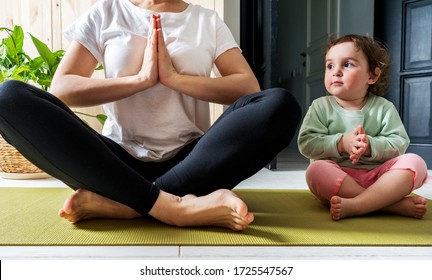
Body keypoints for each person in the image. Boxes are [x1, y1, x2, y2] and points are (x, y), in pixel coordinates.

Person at [0, 0, 301, 231]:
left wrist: (173, 78)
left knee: (280, 105)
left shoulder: (205, 20)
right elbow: (63, 87)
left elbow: (246, 88)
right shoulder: (107, 11)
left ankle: (128, 205)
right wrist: (141, 80)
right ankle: (175, 207)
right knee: (8, 97)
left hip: (194, 163)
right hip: (115, 163)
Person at [297, 34, 428, 221]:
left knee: (416, 163)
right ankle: (389, 204)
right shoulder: (320, 106)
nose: (336, 72)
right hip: (340, 177)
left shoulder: (383, 107)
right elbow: (307, 143)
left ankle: (358, 205)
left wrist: (369, 146)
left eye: (347, 64)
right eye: (330, 66)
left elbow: (399, 143)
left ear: (372, 75)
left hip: (380, 177)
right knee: (315, 170)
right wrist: (341, 143)